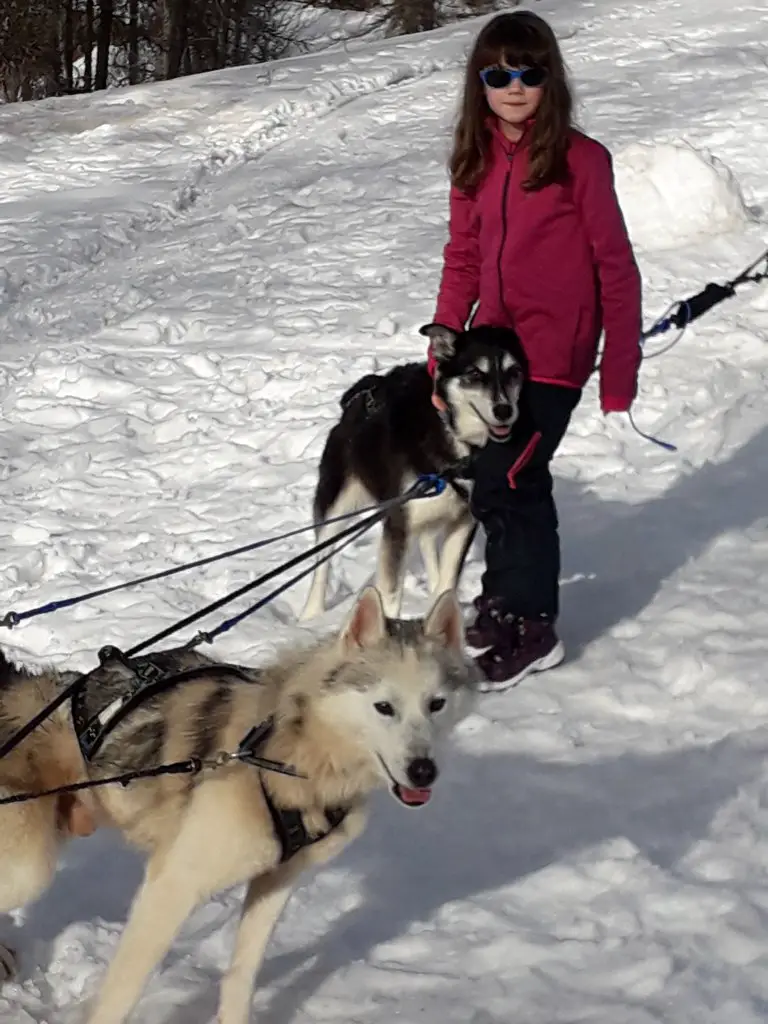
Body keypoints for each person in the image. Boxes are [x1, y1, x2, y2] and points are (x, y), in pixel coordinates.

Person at [421, 10, 642, 691]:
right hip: (490, 352)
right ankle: (502, 603)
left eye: (529, 73)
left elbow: (615, 266)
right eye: (497, 74)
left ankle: (531, 623)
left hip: (555, 352)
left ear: (550, 78)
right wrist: (443, 353)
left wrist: (619, 371)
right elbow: (463, 259)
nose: (514, 87)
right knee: (495, 479)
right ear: (478, 84)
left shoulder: (580, 159)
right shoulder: (476, 158)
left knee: (513, 477)